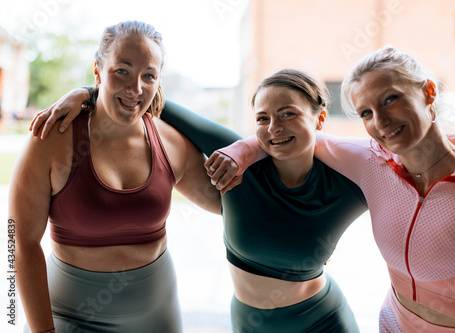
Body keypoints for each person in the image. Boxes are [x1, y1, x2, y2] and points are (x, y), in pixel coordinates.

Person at [33, 69, 369, 332]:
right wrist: (86, 93)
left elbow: (406, 167)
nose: (274, 128)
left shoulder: (348, 187)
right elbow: (151, 101)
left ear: (319, 119)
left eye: (288, 114)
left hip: (323, 320)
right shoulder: (235, 166)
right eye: (263, 118)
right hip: (251, 324)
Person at [211, 47, 455, 332]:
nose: (380, 121)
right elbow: (292, 134)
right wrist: (239, 151)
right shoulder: (371, 162)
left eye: (391, 99)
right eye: (366, 112)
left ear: (429, 93)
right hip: (391, 324)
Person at [10, 21, 220, 333]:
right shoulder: (53, 139)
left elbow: (231, 202)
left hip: (156, 316)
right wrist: (43, 331)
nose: (135, 88)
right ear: (97, 70)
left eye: (148, 75)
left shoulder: (170, 142)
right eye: (121, 70)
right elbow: (21, 241)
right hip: (69, 316)